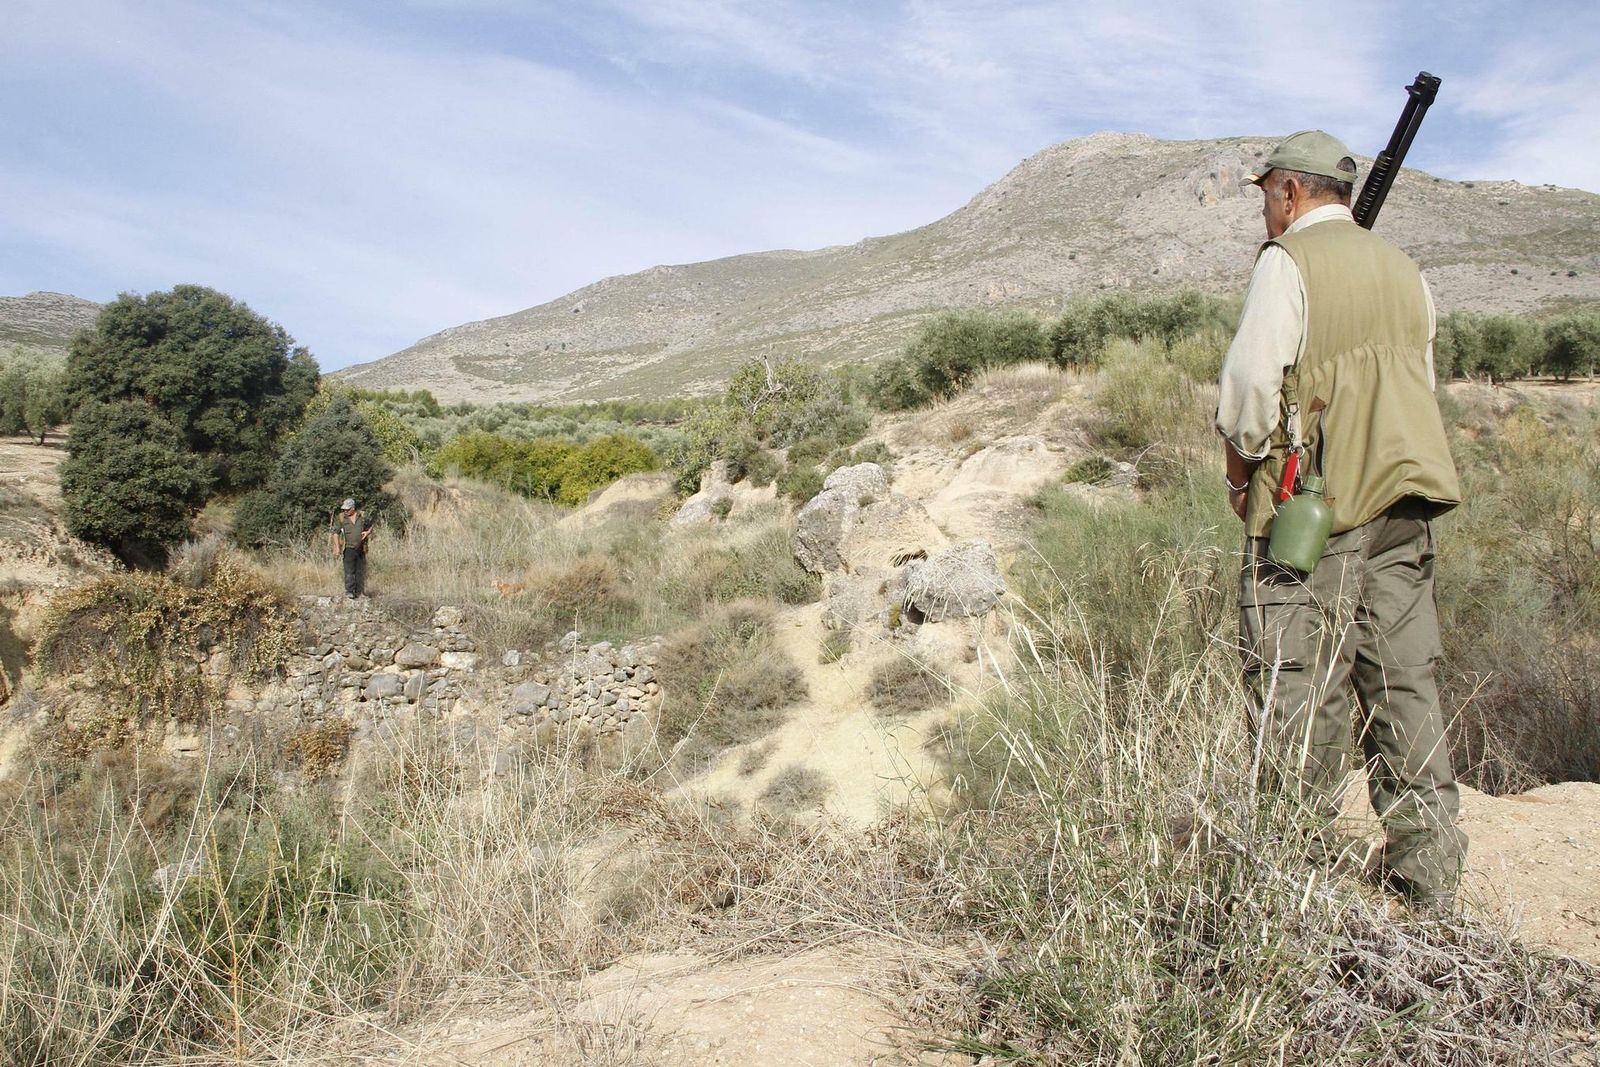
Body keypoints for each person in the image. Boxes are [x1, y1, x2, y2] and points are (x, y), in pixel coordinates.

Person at [1214, 130, 1465, 912]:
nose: (1265, 212)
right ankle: (1429, 876)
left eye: (1267, 197)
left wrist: (1239, 478)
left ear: (1289, 192)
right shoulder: (1405, 270)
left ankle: (1291, 879)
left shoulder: (1287, 262)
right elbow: (1421, 381)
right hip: (1406, 507)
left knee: (1298, 686)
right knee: (1403, 682)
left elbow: (1249, 391)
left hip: (1312, 514)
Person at [331, 498, 371, 599]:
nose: (345, 511)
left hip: (361, 548)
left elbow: (371, 526)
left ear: (353, 508)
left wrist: (367, 532)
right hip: (348, 548)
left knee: (360, 571)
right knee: (349, 571)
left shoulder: (362, 516)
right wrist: (337, 548)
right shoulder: (341, 518)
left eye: (347, 509)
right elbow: (335, 533)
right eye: (344, 509)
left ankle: (360, 592)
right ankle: (349, 592)